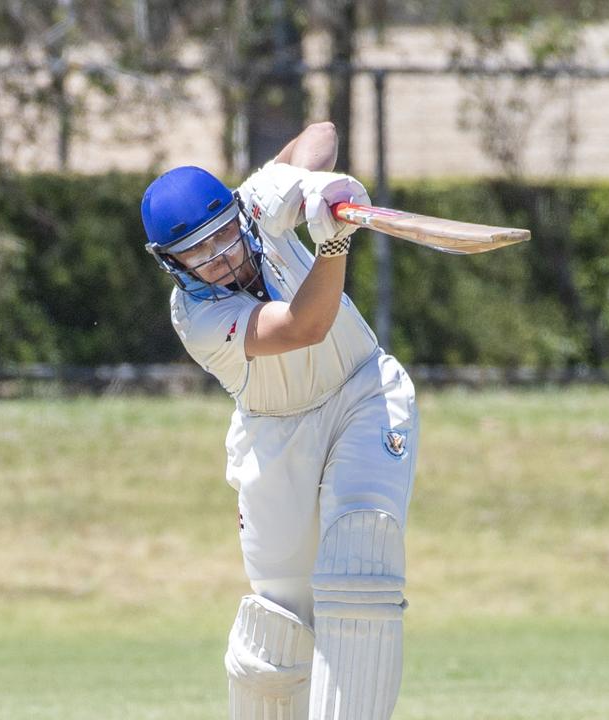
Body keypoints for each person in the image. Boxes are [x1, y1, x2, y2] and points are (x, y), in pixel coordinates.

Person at [140, 122, 419, 720]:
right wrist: (333, 246)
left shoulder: (255, 207)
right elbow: (303, 327)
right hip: (275, 435)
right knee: (277, 630)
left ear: (235, 217)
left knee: (359, 562)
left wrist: (314, 186)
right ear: (170, 263)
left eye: (222, 239)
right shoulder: (195, 317)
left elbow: (319, 132)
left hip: (363, 395)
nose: (218, 259)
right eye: (197, 253)